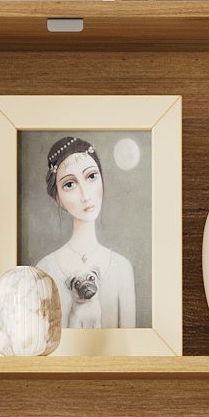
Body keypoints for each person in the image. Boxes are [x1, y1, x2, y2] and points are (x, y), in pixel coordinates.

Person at [34, 135, 138, 330]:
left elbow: (130, 346)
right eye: (69, 184)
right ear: (58, 198)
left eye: (91, 176)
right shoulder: (44, 269)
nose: (85, 195)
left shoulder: (122, 268)